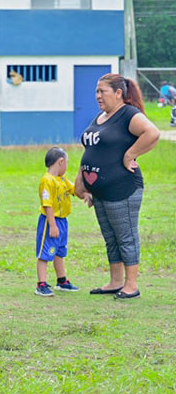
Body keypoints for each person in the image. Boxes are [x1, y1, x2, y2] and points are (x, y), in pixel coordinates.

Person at [77, 73, 159, 299]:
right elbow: (91, 150)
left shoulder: (128, 114)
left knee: (125, 236)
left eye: (102, 91)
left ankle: (131, 285)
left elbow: (152, 133)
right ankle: (115, 281)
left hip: (123, 188)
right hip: (100, 191)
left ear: (118, 93)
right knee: (110, 237)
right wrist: (80, 181)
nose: (98, 96)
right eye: (96, 91)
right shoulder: (101, 117)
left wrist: (130, 155)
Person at [34, 147, 80, 296]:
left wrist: (85, 194)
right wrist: (52, 225)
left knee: (60, 251)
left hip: (62, 221)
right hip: (50, 221)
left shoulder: (62, 180)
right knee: (45, 252)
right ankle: (41, 284)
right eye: (66, 162)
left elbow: (75, 190)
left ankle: (62, 281)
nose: (67, 166)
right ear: (60, 162)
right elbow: (47, 205)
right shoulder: (47, 180)